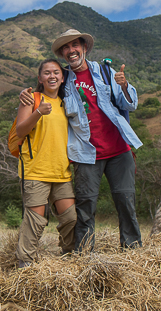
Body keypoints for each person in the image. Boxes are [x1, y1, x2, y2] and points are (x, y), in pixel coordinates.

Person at [21, 29, 143, 251]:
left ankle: (133, 252)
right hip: (86, 154)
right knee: (85, 207)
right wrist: (25, 95)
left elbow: (129, 105)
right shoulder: (63, 78)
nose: (71, 50)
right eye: (66, 48)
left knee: (126, 203)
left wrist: (124, 85)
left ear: (84, 48)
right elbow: (44, 91)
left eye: (75, 45)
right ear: (63, 54)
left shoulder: (105, 71)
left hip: (119, 151)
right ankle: (84, 255)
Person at [14, 58, 77, 268]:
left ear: (62, 77)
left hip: (61, 171)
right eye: (47, 73)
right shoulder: (31, 99)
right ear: (40, 78)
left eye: (56, 72)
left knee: (70, 218)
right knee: (35, 222)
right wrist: (38, 112)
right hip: (35, 171)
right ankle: (25, 264)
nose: (52, 76)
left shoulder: (66, 101)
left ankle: (68, 257)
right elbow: (20, 131)